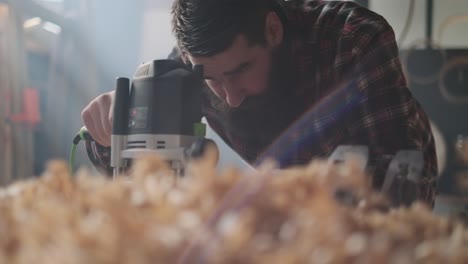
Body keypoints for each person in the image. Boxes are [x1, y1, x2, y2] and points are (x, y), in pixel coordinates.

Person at [81, 0, 438, 207]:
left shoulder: (353, 37)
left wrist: (262, 199)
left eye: (239, 70)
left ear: (272, 30)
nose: (230, 96)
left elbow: (392, 176)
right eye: (211, 81)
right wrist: (115, 126)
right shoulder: (189, 72)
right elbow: (135, 172)